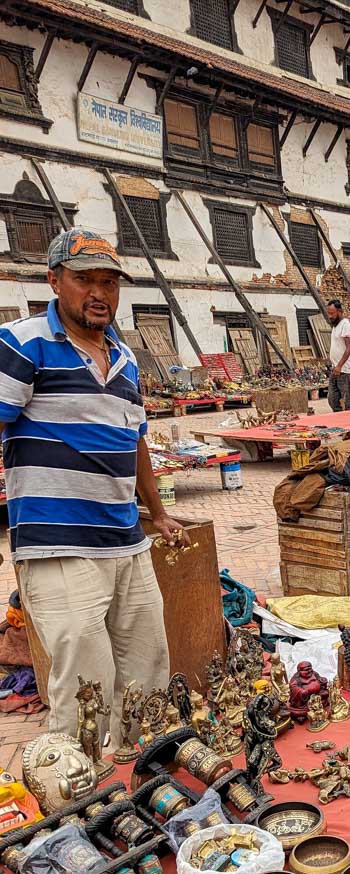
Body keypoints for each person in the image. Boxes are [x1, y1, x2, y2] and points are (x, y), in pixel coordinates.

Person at [0, 230, 181, 740]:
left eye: (109, 282)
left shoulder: (124, 359)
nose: (99, 293)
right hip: (60, 546)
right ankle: (82, 801)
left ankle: (142, 783)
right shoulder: (23, 343)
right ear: (54, 281)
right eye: (84, 280)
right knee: (87, 686)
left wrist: (158, 513)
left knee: (149, 671)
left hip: (126, 541)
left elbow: (136, 439)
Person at [326, 299, 350, 412]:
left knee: (348, 401)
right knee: (332, 398)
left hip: (345, 370)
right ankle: (339, 419)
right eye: (328, 313)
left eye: (332, 313)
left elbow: (349, 348)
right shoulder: (335, 326)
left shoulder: (345, 325)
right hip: (336, 368)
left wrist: (339, 365)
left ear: (339, 311)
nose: (330, 316)